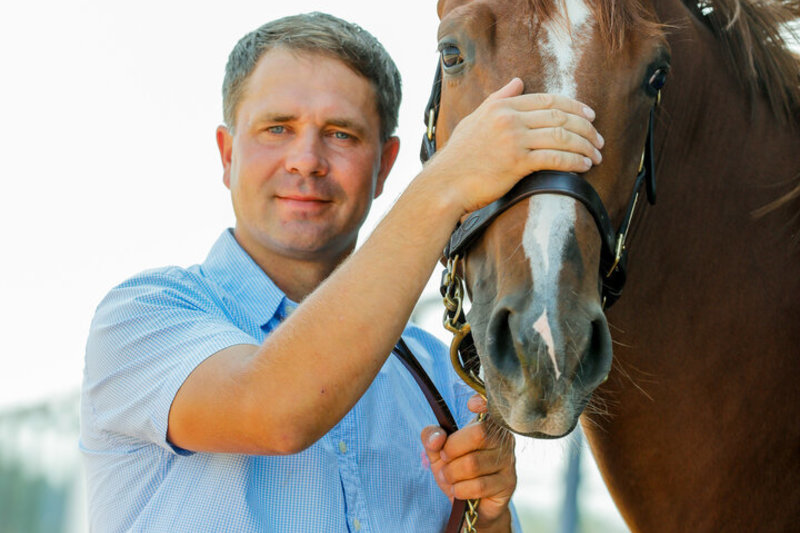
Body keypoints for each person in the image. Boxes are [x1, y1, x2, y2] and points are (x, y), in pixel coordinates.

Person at [80, 12, 603, 533]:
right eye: (277, 128)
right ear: (227, 153)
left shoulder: (442, 376)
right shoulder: (141, 318)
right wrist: (446, 183)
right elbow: (275, 411)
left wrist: (486, 515)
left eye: (341, 134)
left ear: (386, 165)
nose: (306, 160)